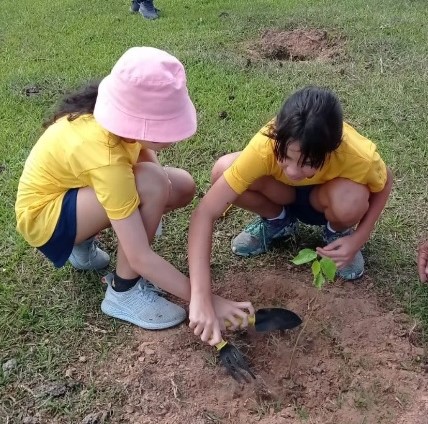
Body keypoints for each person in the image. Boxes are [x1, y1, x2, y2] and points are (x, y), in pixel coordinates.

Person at [15, 46, 253, 335]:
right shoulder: (104, 154)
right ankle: (123, 292)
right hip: (46, 219)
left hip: (74, 195)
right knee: (152, 184)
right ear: (141, 123)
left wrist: (147, 212)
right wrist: (207, 301)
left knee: (178, 185)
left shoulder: (119, 123)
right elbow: (140, 254)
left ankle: (82, 244)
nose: (174, 135)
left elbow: (147, 163)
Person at [188, 86, 393, 345]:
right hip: (282, 195)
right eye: (285, 157)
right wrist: (200, 296)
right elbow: (205, 212)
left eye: (308, 163)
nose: (294, 171)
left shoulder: (357, 155)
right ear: (277, 137)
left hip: (326, 201)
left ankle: (338, 233)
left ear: (333, 149)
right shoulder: (266, 145)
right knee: (223, 170)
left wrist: (359, 238)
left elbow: (385, 182)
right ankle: (278, 221)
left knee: (350, 199)